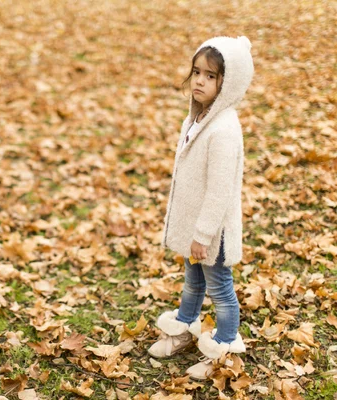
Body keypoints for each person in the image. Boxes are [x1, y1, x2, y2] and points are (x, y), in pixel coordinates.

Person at [147, 36, 254, 380]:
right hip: (195, 229)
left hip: (212, 231)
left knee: (220, 288)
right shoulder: (197, 118)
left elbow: (220, 190)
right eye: (196, 72)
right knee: (192, 282)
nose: (199, 81)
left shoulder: (224, 129)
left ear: (228, 84)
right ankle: (184, 327)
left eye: (210, 76)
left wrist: (204, 234)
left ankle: (224, 347)